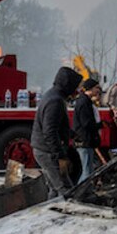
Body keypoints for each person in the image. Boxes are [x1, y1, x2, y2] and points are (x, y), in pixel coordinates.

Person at [31, 67, 82, 196]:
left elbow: (55, 127)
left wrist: (72, 135)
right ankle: (69, 215)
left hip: (43, 149)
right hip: (47, 151)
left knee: (54, 188)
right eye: (76, 86)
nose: (78, 90)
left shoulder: (53, 96)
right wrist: (60, 157)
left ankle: (49, 213)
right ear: (68, 85)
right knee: (65, 189)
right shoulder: (56, 101)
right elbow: (50, 132)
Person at [72, 78, 102, 183]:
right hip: (84, 141)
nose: (98, 90)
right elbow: (86, 123)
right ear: (90, 88)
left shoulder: (84, 101)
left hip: (84, 140)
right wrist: (99, 125)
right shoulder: (84, 102)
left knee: (88, 169)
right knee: (87, 171)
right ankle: (79, 192)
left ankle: (85, 192)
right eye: (96, 88)